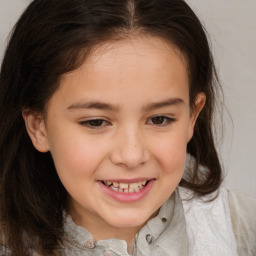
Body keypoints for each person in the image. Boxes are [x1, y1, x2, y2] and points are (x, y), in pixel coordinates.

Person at [0, 0, 255, 255]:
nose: (132, 156)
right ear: (38, 127)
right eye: (96, 122)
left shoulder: (241, 230)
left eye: (159, 119)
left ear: (192, 116)